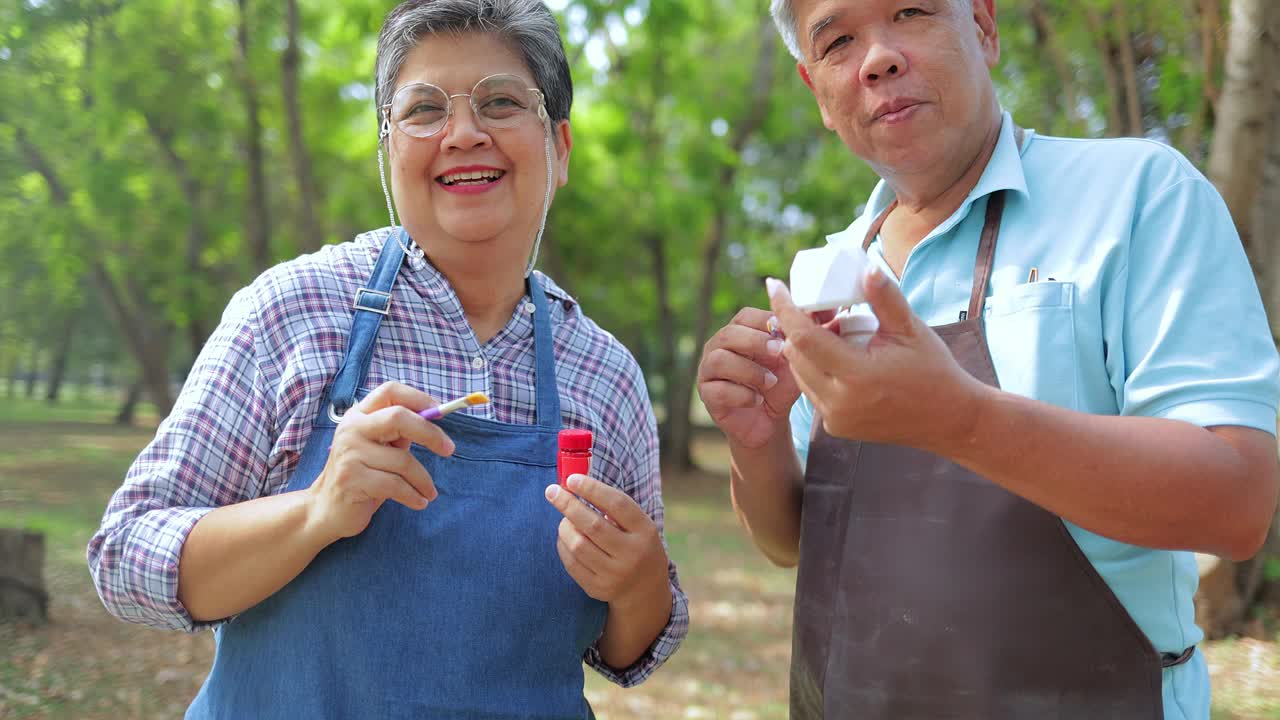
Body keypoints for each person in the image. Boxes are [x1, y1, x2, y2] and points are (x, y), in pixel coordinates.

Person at [87, 1, 687, 716]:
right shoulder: (292, 313)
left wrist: (640, 581)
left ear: (559, 148)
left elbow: (627, 649)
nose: (464, 133)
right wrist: (316, 510)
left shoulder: (606, 376)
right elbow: (125, 557)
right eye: (424, 109)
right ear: (386, 153)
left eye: (500, 102)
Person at [697, 0, 1280, 717]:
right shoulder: (827, 272)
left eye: (910, 12)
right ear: (816, 87)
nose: (877, 57)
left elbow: (1237, 502)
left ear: (984, 26)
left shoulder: (1138, 195)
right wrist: (754, 445)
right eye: (839, 40)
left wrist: (959, 419)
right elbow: (793, 541)